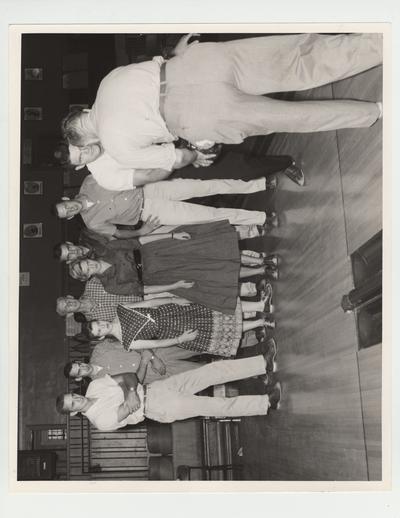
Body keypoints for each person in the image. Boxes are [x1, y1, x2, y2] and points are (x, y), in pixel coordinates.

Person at [60, 33, 382, 171]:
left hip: (197, 114)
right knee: (298, 59)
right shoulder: (107, 81)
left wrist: (195, 152)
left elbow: (178, 157)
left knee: (292, 117)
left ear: (90, 136)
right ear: (84, 111)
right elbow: (157, 63)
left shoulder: (115, 147)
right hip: (195, 65)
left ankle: (376, 111)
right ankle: (379, 44)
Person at [67, 220, 276, 315]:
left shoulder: (108, 249)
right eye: (87, 269)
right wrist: (174, 284)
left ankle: (262, 262)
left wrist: (171, 235)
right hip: (160, 274)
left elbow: (140, 242)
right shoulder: (110, 285)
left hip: (159, 250)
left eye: (86, 262)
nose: (90, 265)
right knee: (214, 272)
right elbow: (143, 290)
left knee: (213, 251)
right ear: (88, 276)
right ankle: (261, 271)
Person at [56, 354, 282, 430]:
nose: (78, 398)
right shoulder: (99, 420)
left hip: (158, 387)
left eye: (73, 396)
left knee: (212, 370)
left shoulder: (94, 386)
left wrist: (131, 389)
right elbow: (129, 406)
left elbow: (130, 377)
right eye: (73, 404)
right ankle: (266, 403)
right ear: (74, 413)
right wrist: (129, 391)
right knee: (216, 406)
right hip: (158, 407)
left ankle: (263, 363)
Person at [54, 173, 277, 238]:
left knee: (208, 186)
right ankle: (262, 218)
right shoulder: (92, 222)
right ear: (70, 218)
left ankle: (260, 183)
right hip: (151, 213)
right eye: (68, 214)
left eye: (67, 206)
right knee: (209, 215)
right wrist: (142, 230)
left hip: (151, 188)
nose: (71, 209)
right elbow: (118, 234)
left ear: (67, 200)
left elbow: (120, 170)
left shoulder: (90, 181)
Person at [82, 283, 275, 357]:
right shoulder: (128, 342)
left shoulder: (120, 310)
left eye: (98, 323)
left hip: (174, 310)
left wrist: (175, 299)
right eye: (100, 330)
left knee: (220, 310)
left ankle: (259, 306)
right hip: (176, 332)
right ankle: (261, 322)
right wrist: (180, 340)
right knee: (224, 329)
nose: (102, 326)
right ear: (101, 337)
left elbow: (150, 304)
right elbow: (157, 342)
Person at [63, 141, 305, 190]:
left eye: (80, 147)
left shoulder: (93, 129)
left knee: (243, 130)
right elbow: (151, 175)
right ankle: (284, 163)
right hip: (180, 161)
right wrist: (187, 156)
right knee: (241, 169)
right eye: (81, 157)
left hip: (177, 127)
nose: (87, 151)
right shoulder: (105, 177)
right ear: (78, 167)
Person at [63, 338, 202, 384]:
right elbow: (135, 383)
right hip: (158, 373)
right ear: (79, 378)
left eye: (79, 364)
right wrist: (146, 362)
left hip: (159, 351)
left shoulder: (100, 348)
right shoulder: (100, 384)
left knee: (200, 345)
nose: (83, 367)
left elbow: (131, 343)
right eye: (79, 371)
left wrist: (152, 357)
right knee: (201, 371)